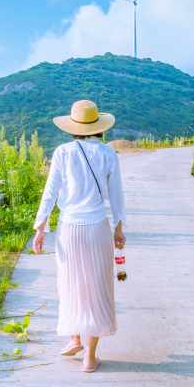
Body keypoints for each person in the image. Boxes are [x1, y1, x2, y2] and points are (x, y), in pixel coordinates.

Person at [33, 99, 127, 373]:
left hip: (69, 228)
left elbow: (50, 192)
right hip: (97, 226)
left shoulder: (62, 153)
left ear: (72, 127)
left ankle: (74, 337)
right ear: (99, 127)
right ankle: (89, 356)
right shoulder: (109, 154)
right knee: (96, 287)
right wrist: (118, 229)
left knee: (70, 283)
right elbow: (116, 195)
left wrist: (40, 227)